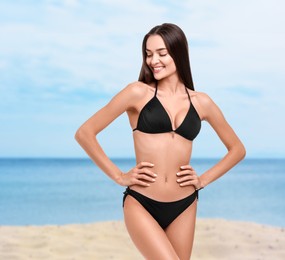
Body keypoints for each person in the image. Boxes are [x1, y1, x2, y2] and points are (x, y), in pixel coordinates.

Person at [75, 23, 246, 260]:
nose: (153, 60)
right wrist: (119, 176)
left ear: (178, 53)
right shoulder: (137, 93)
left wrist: (202, 180)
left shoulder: (202, 102)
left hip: (185, 204)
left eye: (161, 53)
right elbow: (85, 132)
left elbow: (237, 150)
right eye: (148, 54)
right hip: (142, 202)